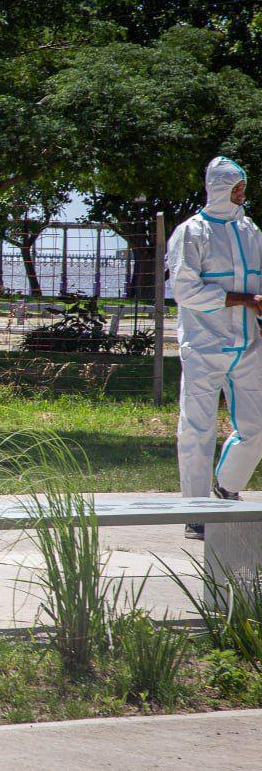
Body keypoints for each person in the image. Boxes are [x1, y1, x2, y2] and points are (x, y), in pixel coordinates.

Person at [166, 156, 261, 540]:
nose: (242, 194)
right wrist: (242, 299)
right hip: (204, 345)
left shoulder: (251, 230)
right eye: (236, 187)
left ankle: (226, 486)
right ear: (219, 189)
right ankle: (196, 513)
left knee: (256, 428)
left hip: (248, 344)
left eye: (243, 187)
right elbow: (185, 290)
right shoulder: (191, 233)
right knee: (197, 429)